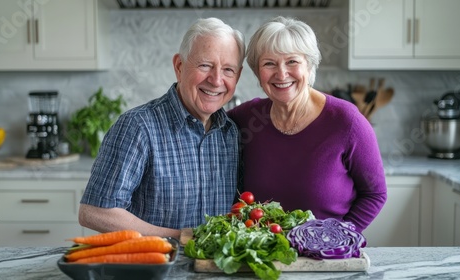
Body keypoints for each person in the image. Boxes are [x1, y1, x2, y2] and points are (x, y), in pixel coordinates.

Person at [79, 17, 245, 239]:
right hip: (154, 268)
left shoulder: (231, 133)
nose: (216, 80)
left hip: (216, 270)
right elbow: (94, 212)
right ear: (179, 66)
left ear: (238, 76)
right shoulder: (137, 126)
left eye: (228, 70)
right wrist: (180, 237)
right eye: (205, 65)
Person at [227, 16, 387, 233]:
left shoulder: (346, 122)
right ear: (257, 72)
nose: (281, 73)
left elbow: (375, 194)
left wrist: (337, 238)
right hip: (262, 256)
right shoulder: (245, 118)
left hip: (325, 258)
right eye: (269, 63)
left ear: (310, 65)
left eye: (292, 61)